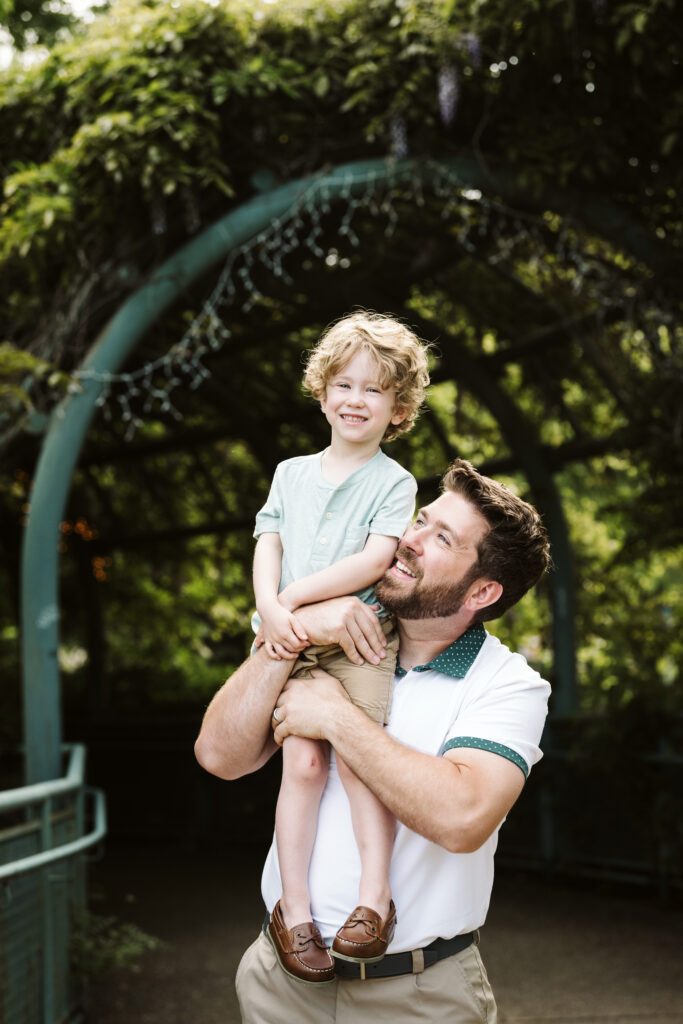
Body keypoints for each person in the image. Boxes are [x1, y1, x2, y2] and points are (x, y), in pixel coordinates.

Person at [195, 458, 552, 1024]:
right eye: (420, 520)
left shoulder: (507, 684)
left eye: (441, 538)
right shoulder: (324, 622)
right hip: (281, 984)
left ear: (482, 590)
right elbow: (219, 755)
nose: (409, 540)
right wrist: (298, 633)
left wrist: (336, 718)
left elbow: (463, 818)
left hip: (419, 995)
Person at [250, 311, 430, 983]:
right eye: (344, 385)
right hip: (290, 637)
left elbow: (374, 560)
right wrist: (272, 605)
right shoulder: (290, 473)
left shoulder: (392, 481)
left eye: (374, 390)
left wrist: (294, 600)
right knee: (299, 767)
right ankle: (293, 912)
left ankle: (371, 900)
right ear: (322, 392)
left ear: (398, 407)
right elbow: (268, 541)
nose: (356, 400)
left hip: (357, 639)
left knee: (358, 765)